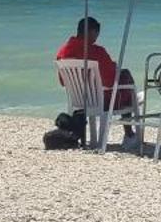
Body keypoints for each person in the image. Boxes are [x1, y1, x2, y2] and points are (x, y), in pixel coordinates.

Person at [56, 16, 139, 147]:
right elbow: (111, 81)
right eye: (96, 34)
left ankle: (132, 97)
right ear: (91, 32)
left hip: (79, 101)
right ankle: (129, 134)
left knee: (124, 84)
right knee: (125, 76)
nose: (96, 38)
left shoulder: (63, 52)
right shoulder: (97, 52)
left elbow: (62, 81)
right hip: (100, 101)